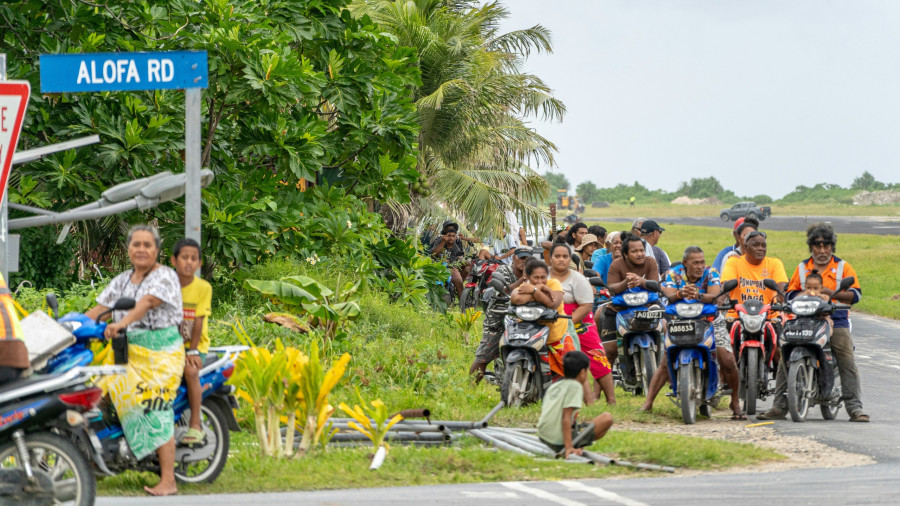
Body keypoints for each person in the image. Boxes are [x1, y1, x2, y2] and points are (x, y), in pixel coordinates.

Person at [85, 225, 184, 496]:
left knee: (156, 406)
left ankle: (168, 480)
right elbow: (100, 309)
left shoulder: (165, 277)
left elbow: (147, 303)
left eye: (147, 245)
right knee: (94, 393)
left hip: (161, 355)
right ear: (128, 248)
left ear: (157, 250)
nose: (141, 249)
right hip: (128, 353)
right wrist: (71, 327)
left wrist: (122, 323)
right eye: (136, 244)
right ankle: (100, 457)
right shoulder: (122, 280)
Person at [759, 223, 868, 422]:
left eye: (826, 245)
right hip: (803, 319)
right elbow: (789, 293)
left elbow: (855, 295)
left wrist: (829, 293)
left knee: (847, 359)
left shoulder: (843, 267)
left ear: (832, 247)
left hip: (836, 320)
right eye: (817, 245)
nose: (822, 250)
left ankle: (854, 408)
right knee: (785, 354)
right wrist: (802, 294)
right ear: (811, 247)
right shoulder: (802, 268)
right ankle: (779, 406)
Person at [639, 246, 743, 419]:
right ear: (685, 263)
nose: (700, 266)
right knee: (666, 361)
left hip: (709, 321)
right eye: (695, 262)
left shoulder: (711, 273)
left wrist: (698, 296)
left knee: (727, 358)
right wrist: (680, 293)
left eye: (702, 262)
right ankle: (648, 403)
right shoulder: (674, 274)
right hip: (680, 320)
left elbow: (715, 295)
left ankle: (735, 402)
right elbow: (669, 294)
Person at [719, 230, 788, 394]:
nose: (761, 248)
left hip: (769, 315)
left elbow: (781, 287)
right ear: (745, 246)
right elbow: (726, 286)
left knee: (782, 348)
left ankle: (783, 389)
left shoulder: (774, 264)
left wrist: (782, 297)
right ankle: (723, 383)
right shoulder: (733, 263)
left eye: (764, 245)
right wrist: (722, 298)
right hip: (736, 315)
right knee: (723, 348)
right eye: (756, 245)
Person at [548, 244, 615, 405]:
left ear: (570, 258)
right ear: (550, 258)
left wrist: (569, 323)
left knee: (598, 357)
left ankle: (611, 400)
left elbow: (586, 305)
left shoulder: (578, 278)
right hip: (550, 319)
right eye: (557, 256)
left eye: (565, 256)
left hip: (578, 318)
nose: (562, 259)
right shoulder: (544, 275)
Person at [170, 238, 212, 447]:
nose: (188, 262)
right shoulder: (167, 285)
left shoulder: (203, 288)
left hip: (195, 345)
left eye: (193, 258)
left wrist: (193, 351)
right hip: (169, 344)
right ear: (174, 260)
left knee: (190, 371)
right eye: (184, 257)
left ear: (199, 264)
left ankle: (196, 423)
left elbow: (198, 320)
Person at [599, 234, 660, 370]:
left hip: (647, 306)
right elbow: (612, 287)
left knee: (667, 328)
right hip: (619, 309)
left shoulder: (650, 262)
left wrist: (642, 281)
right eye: (634, 251)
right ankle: (598, 389)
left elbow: (655, 284)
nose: (639, 254)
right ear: (625, 254)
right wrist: (626, 282)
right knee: (609, 351)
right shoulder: (616, 265)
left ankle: (666, 372)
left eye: (642, 250)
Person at [469, 246, 531, 382]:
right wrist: (522, 281)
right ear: (514, 258)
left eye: (527, 259)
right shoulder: (504, 270)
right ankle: (471, 386)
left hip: (522, 319)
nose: (524, 262)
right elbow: (502, 290)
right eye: (521, 258)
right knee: (484, 355)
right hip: (498, 319)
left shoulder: (533, 273)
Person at [537, 351, 613, 459]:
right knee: (606, 418)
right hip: (557, 442)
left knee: (584, 425)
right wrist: (568, 448)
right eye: (587, 371)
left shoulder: (556, 386)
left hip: (543, 437)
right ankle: (574, 446)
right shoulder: (575, 386)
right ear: (582, 372)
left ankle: (577, 445)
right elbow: (566, 417)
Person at [510, 259, 577, 379]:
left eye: (543, 277)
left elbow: (553, 304)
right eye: (536, 277)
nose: (540, 281)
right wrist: (539, 290)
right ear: (527, 276)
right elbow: (517, 299)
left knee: (573, 371)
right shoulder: (524, 286)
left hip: (555, 335)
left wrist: (534, 290)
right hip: (531, 335)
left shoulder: (554, 283)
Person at [430, 221, 479, 298]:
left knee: (461, 278)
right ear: (445, 233)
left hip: (451, 267)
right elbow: (434, 254)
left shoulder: (456, 245)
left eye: (453, 236)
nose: (451, 238)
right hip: (438, 265)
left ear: (455, 236)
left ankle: (462, 303)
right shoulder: (439, 240)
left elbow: (458, 258)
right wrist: (443, 242)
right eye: (449, 235)